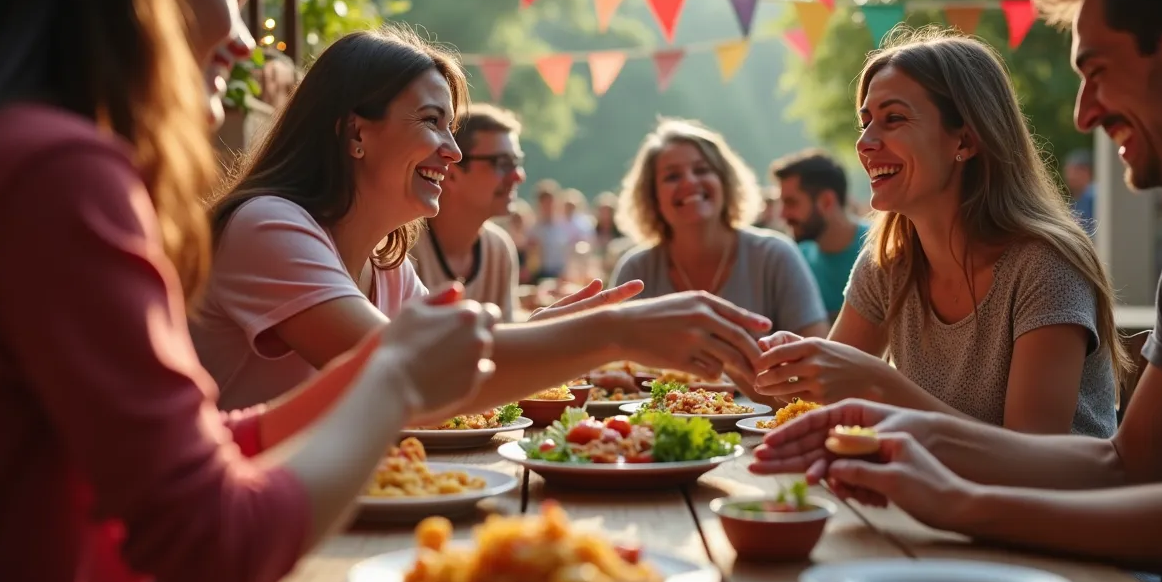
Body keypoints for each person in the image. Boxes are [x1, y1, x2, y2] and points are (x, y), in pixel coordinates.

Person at [0, 0, 498, 582]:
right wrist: (393, 376)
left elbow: (209, 445)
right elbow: (215, 546)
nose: (247, 43)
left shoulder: (12, 150)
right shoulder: (55, 174)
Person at [753, 0, 1162, 582]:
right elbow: (1130, 464)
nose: (1084, 111)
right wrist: (908, 432)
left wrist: (962, 502)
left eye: (1098, 69)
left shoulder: (1045, 262)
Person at [193, 25, 773, 413]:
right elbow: (411, 377)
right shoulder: (268, 226)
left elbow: (453, 362)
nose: (452, 150)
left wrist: (546, 329)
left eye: (452, 127)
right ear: (354, 132)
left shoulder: (383, 262)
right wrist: (613, 334)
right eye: (430, 121)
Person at [752, 28, 1124, 438]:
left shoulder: (1045, 267)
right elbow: (819, 403)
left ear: (964, 139)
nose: (865, 142)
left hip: (1052, 501)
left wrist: (878, 383)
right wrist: (757, 361)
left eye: (893, 119)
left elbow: (1034, 454)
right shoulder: (888, 263)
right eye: (866, 121)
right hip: (926, 496)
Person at [610, 118, 830, 387]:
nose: (689, 182)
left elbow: (818, 360)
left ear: (724, 182)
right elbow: (615, 363)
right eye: (672, 176)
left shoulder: (775, 255)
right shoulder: (635, 270)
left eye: (702, 170)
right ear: (651, 197)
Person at [409, 103, 524, 322]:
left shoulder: (499, 249)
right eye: (502, 163)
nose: (518, 176)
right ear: (452, 173)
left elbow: (508, 339)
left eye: (517, 162)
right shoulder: (406, 247)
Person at [770, 149, 870, 322]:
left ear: (826, 202)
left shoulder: (882, 249)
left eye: (791, 203)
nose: (782, 215)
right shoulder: (797, 258)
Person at [1064, 148, 1097, 232]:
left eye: (1073, 170)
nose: (1069, 176)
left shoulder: (1094, 197)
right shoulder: (1076, 199)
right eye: (1068, 171)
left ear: (1086, 171)